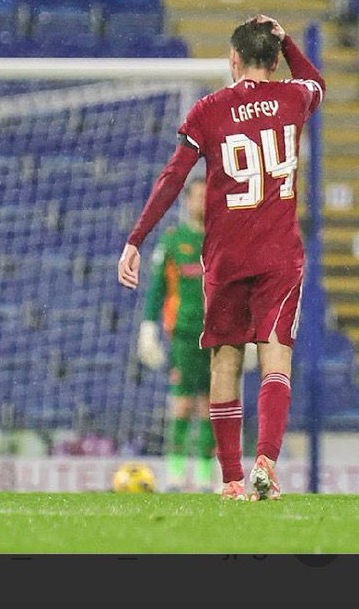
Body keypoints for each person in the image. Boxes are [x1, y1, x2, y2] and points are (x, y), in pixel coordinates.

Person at [118, 15, 325, 501]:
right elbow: (316, 82)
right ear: (275, 61)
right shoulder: (293, 98)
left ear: (234, 59)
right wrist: (288, 43)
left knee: (225, 364)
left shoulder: (209, 111)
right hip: (278, 255)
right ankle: (266, 462)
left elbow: (173, 178)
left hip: (227, 257)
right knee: (276, 360)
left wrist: (137, 238)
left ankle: (231, 479)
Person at [137, 178, 217, 492]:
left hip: (218, 334)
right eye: (199, 196)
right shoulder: (173, 240)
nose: (204, 201)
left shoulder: (222, 239)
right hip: (184, 334)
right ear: (187, 200)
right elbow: (157, 288)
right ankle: (175, 473)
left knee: (213, 407)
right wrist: (148, 327)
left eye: (208, 196)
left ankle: (205, 476)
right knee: (182, 405)